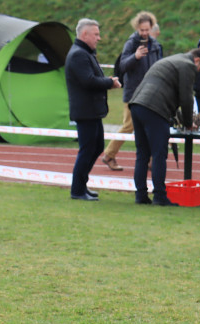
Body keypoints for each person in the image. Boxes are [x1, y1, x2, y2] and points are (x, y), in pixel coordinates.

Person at [129, 49, 200, 206]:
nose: (198, 72)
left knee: (142, 153)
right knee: (159, 154)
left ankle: (141, 195)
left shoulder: (172, 60)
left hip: (137, 103)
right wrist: (187, 122)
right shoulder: (188, 65)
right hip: (154, 108)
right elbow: (186, 97)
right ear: (197, 60)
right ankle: (159, 195)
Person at [65, 18, 121, 201]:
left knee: (96, 147)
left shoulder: (85, 53)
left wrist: (106, 80)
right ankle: (77, 190)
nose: (99, 38)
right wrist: (109, 83)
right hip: (86, 112)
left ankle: (82, 186)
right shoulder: (78, 55)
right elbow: (88, 81)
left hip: (92, 111)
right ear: (84, 34)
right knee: (88, 149)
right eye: (96, 34)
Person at [101, 11, 161, 172]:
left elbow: (160, 66)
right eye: (142, 30)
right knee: (129, 126)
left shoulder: (155, 45)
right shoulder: (131, 43)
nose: (144, 33)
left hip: (150, 93)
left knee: (150, 125)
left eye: (147, 30)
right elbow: (122, 66)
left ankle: (149, 159)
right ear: (137, 28)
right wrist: (135, 56)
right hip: (133, 93)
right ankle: (109, 154)